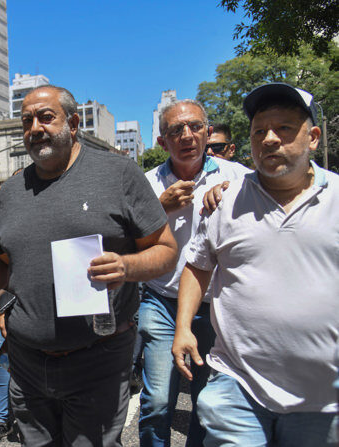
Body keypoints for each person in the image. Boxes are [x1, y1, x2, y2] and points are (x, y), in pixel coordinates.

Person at [0, 85, 178, 446]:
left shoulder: (120, 174)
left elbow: (165, 249)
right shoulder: (12, 191)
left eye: (46, 117)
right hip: (26, 363)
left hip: (98, 359)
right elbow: (1, 258)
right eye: (26, 121)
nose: (35, 128)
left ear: (75, 123)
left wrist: (126, 266)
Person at [173, 83, 338, 447]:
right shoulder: (225, 202)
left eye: (284, 129)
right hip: (238, 386)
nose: (270, 139)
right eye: (259, 131)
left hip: (324, 399)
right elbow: (198, 266)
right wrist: (183, 327)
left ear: (312, 137)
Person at [139, 100, 250, 447]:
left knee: (207, 401)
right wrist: (159, 209)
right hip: (160, 300)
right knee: (157, 400)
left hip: (215, 304)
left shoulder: (239, 178)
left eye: (195, 127)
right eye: (176, 130)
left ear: (207, 131)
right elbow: (124, 239)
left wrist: (231, 199)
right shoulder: (145, 184)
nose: (187, 136)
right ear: (162, 142)